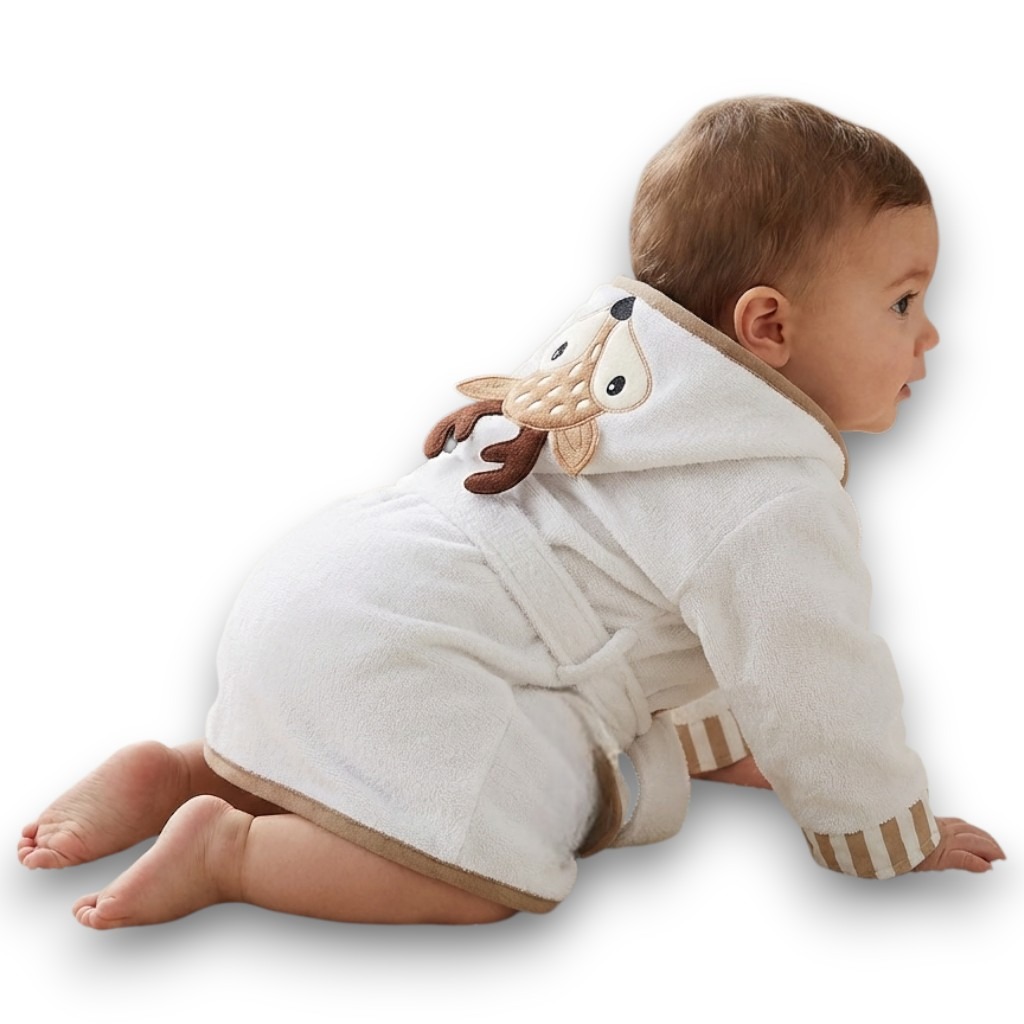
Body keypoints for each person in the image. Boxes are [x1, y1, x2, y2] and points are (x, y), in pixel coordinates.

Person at [18, 96, 1005, 929]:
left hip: (323, 593)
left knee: (360, 755)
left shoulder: (613, 376)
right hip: (414, 660)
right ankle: (231, 851)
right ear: (767, 325)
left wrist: (721, 744)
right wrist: (887, 833)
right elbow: (816, 684)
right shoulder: (770, 496)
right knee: (478, 866)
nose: (929, 336)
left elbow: (659, 593)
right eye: (902, 303)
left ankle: (190, 772)